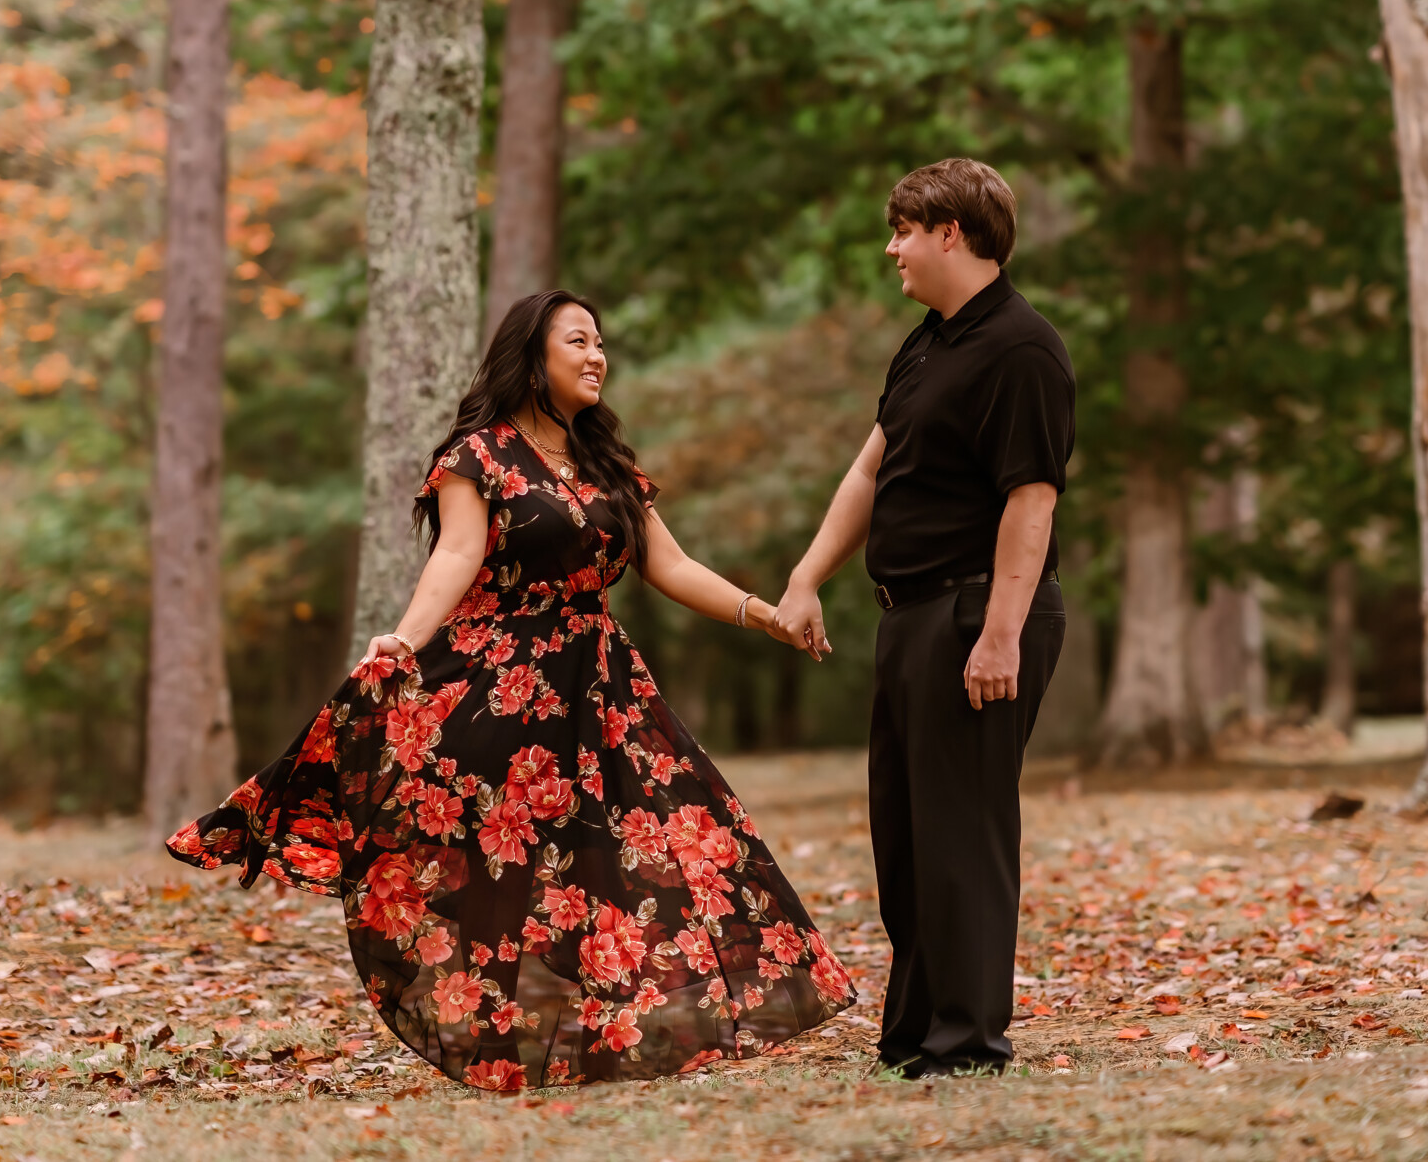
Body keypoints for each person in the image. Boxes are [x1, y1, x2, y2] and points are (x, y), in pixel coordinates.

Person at [167, 290, 853, 1090]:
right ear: (533, 356)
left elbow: (669, 565)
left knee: (677, 834)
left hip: (602, 693)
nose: (598, 356)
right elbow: (455, 558)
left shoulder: (608, 465)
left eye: (602, 343)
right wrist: (405, 637)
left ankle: (613, 1028)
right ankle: (496, 1036)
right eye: (579, 341)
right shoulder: (477, 456)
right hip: (503, 687)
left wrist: (761, 614)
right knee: (502, 863)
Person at [776, 159, 1073, 1078]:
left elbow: (1032, 497)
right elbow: (872, 468)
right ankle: (914, 1036)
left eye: (905, 229)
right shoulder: (927, 342)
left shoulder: (1022, 348)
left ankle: (969, 1042)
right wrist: (806, 574)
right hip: (908, 614)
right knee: (905, 837)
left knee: (963, 835)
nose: (892, 246)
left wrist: (1000, 633)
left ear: (953, 233)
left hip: (979, 609)